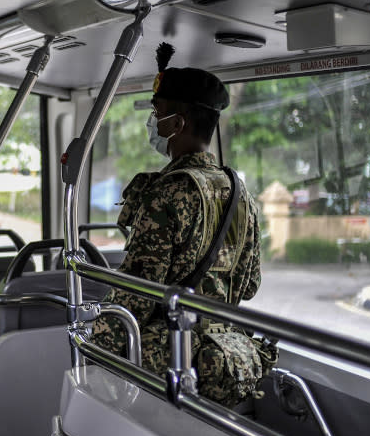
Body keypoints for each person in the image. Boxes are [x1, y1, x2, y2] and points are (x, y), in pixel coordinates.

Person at [92, 42, 272, 407]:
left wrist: (93, 339)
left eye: (156, 113)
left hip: (174, 358)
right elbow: (248, 286)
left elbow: (137, 292)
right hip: (224, 358)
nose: (152, 123)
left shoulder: (168, 193)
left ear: (177, 123)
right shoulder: (241, 193)